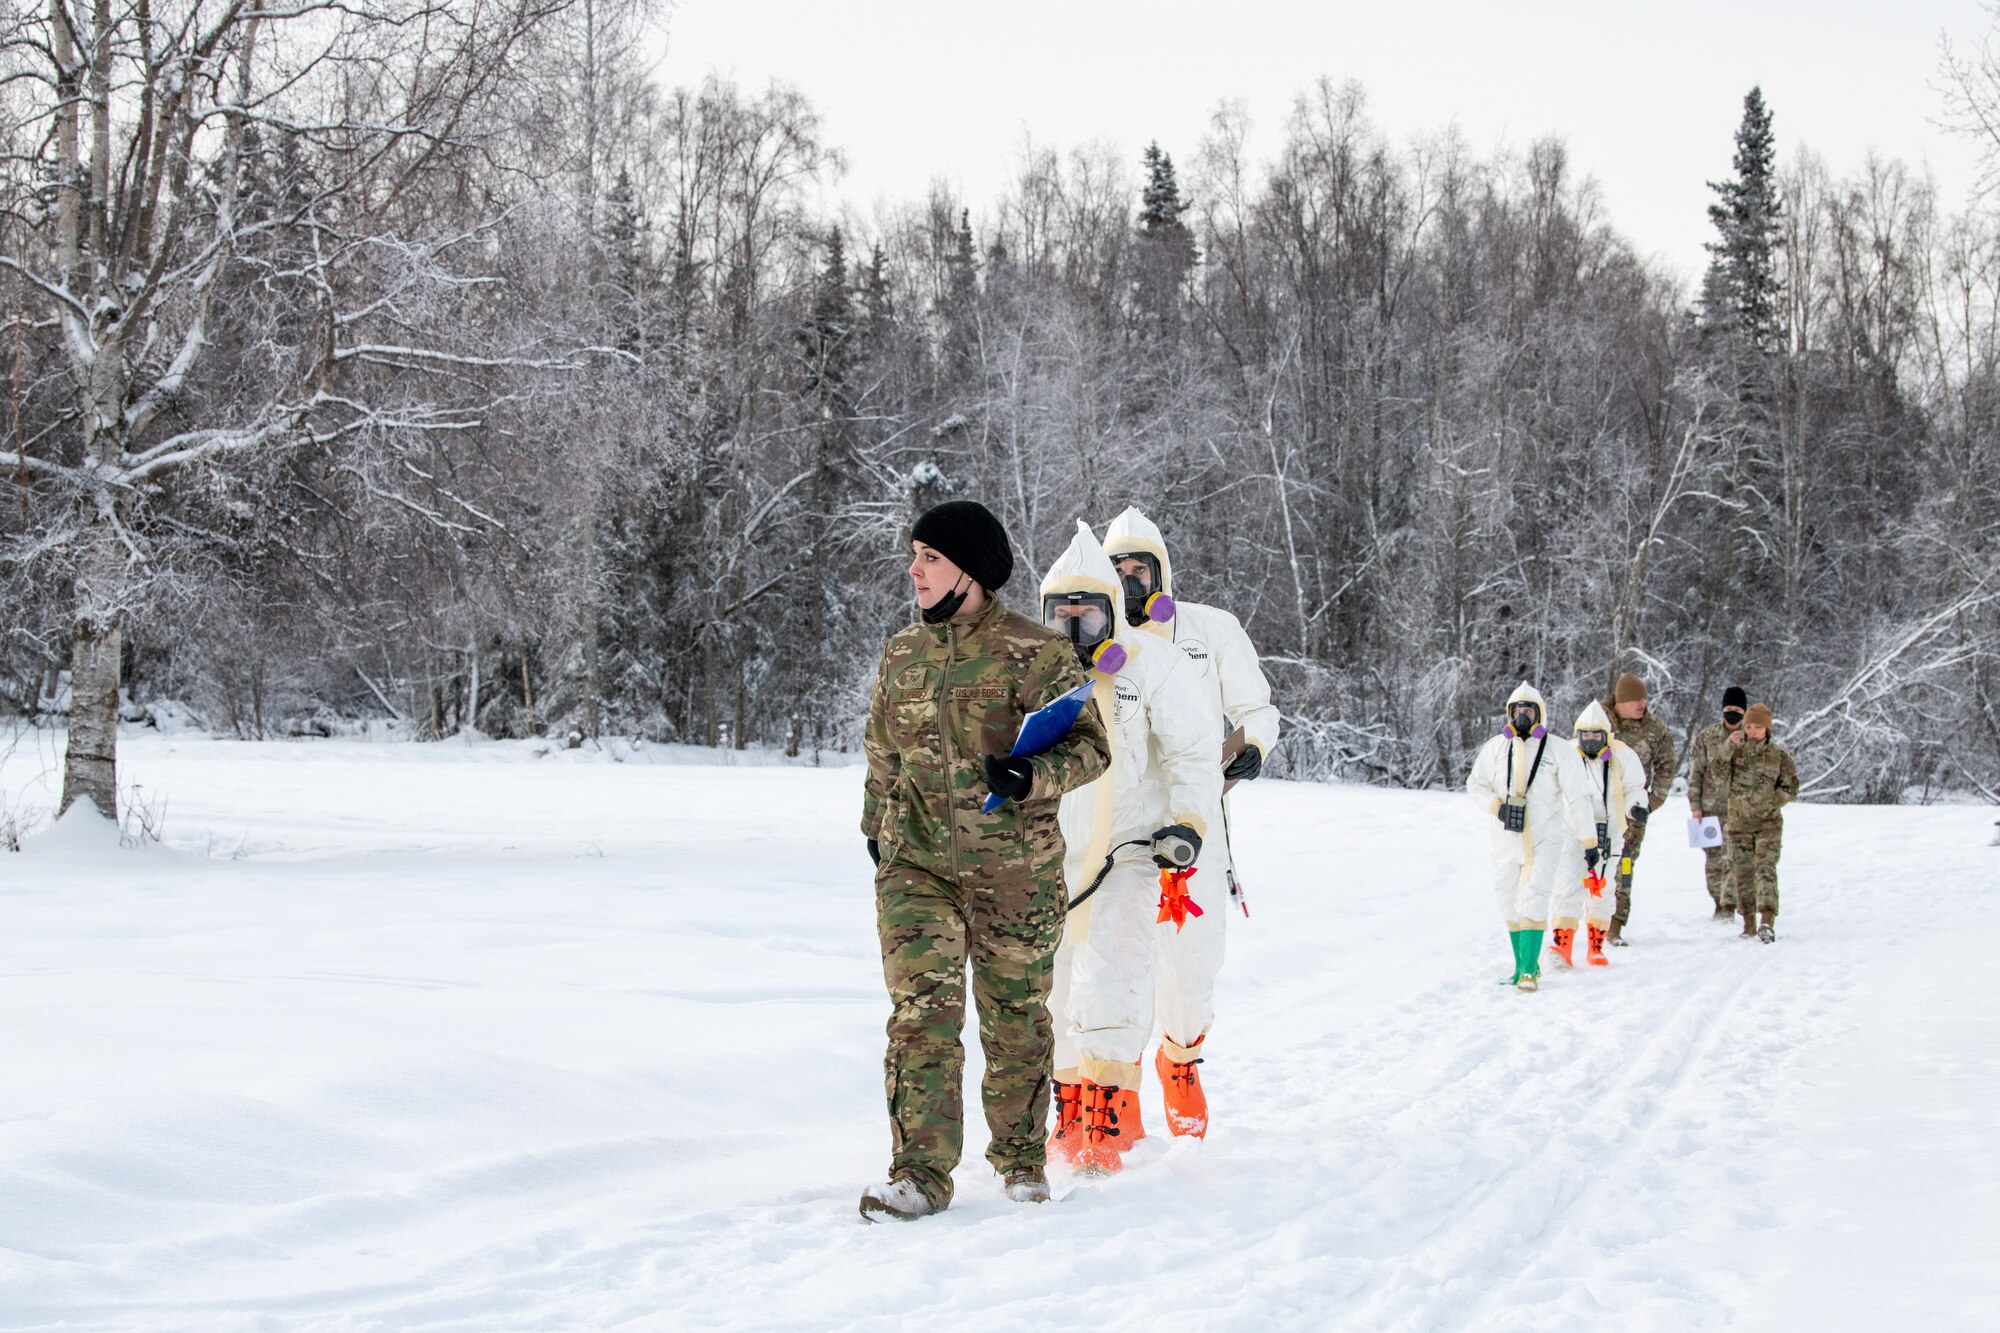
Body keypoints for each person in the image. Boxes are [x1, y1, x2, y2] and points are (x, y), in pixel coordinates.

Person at [857, 500, 1112, 1222]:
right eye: (915, 555)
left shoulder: (1035, 652)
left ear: (970, 567)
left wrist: (1032, 778)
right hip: (919, 870)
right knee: (921, 1014)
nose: (914, 569)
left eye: (930, 557)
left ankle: (1021, 1162)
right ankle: (920, 1173)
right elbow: (881, 753)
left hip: (1016, 874)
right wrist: (878, 827)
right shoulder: (903, 652)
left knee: (1016, 1021)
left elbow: (1090, 746)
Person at [1038, 522, 1222, 1175]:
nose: (1074, 633)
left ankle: (1110, 1113)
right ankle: (1068, 1108)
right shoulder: (1030, 676)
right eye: (1062, 618)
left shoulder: (1155, 666)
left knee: (1113, 981)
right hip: (1052, 860)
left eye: (1087, 619)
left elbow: (1195, 752)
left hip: (1129, 853)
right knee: (1054, 991)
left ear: (1111, 613)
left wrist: (1189, 822)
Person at [1102, 507, 1280, 1137]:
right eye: (1116, 570)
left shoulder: (1210, 629)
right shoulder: (1095, 640)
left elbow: (1257, 706)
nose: (1129, 580)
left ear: (1162, 571)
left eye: (1139, 568)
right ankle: (1114, 1094)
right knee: (1115, 964)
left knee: (1192, 963)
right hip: (1118, 830)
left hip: (1195, 824)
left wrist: (1254, 743)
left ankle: (1179, 1058)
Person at [1466, 682, 1594, 991]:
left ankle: (1528, 971)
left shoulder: (1559, 750)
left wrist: (1589, 841)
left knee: (1535, 896)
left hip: (1544, 838)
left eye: (1529, 710)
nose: (1523, 715)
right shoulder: (1495, 748)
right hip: (1505, 839)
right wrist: (1496, 807)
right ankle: (1522, 964)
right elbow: (1476, 784)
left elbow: (1578, 797)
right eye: (1517, 710)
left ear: (1540, 714)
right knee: (1508, 898)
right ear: (1509, 713)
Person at [1548, 702, 1648, 968]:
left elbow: (1635, 788)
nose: (1591, 741)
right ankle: (1562, 945)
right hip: (1573, 832)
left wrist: (1636, 807)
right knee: (1567, 886)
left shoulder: (1622, 755)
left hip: (1610, 833)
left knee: (1603, 890)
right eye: (1586, 735)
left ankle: (1596, 946)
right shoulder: (1566, 754)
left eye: (1596, 736)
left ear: (1606, 735)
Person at [1602, 672, 1676, 946]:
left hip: (1633, 812)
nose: (1641, 704)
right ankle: (1587, 924)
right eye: (1635, 699)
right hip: (1598, 809)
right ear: (1620, 701)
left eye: (1644, 698)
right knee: (1593, 865)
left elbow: (1667, 765)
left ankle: (1615, 926)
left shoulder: (1655, 728)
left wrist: (1652, 801)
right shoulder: (1598, 721)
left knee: (1625, 864)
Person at [1719, 702, 1798, 943]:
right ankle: (1748, 924)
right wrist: (1726, 749)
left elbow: (1791, 786)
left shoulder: (1778, 756)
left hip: (1768, 825)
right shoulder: (1734, 752)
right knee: (1743, 873)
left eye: (1758, 727)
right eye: (1749, 726)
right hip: (1738, 825)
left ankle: (1767, 920)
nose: (1753, 731)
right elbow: (1716, 776)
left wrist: (1771, 802)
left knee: (1765, 869)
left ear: (1767, 729)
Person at [1685, 685, 1750, 921]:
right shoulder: (1707, 736)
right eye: (1728, 708)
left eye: (1736, 709)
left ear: (1744, 711)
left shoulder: (1751, 736)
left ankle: (1733, 905)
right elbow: (1696, 773)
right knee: (1714, 861)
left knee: (1737, 859)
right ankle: (1719, 903)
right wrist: (1695, 806)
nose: (1731, 713)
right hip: (1711, 809)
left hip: (1741, 810)